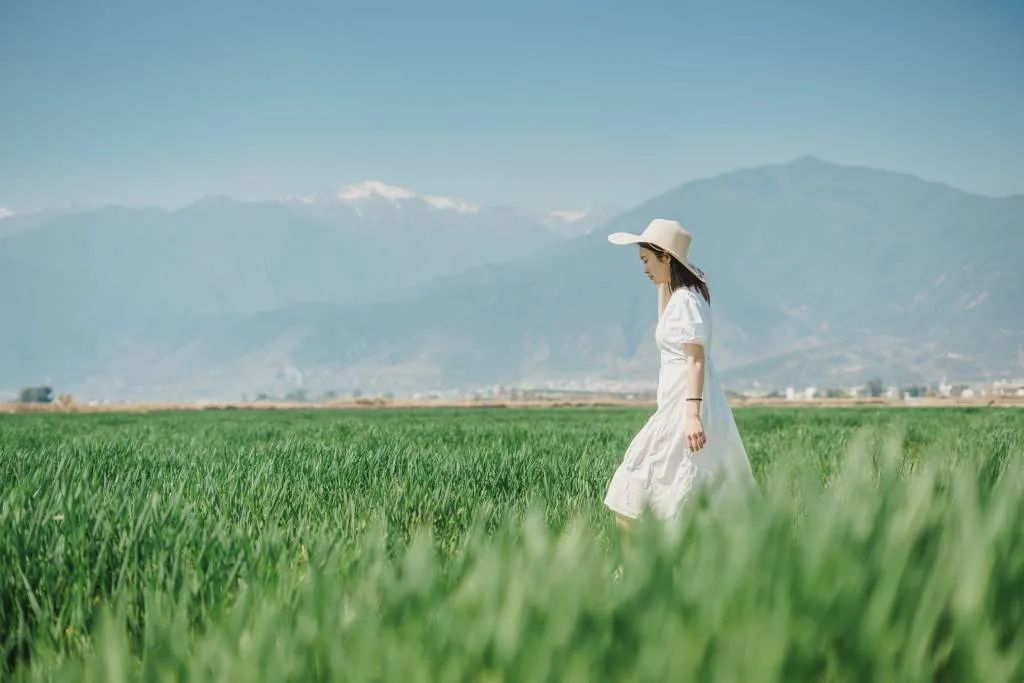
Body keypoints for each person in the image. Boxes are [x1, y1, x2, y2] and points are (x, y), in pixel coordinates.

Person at [603, 218, 758, 532]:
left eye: (646, 260)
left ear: (666, 258)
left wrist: (691, 415)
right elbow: (665, 332)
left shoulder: (687, 302)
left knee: (637, 483)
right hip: (678, 405)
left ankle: (635, 569)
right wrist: (663, 284)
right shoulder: (680, 297)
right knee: (669, 487)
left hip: (683, 408)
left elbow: (696, 360)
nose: (643, 268)